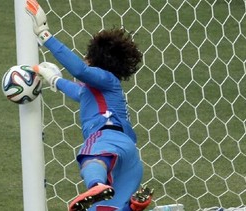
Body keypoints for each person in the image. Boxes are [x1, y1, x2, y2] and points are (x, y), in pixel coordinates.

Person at [25, 0, 153, 210]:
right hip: (128, 157)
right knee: (108, 208)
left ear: (94, 59)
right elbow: (78, 92)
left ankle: (96, 184)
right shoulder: (102, 89)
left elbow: (80, 72)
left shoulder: (106, 78)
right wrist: (53, 79)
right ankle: (132, 206)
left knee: (90, 156)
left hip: (106, 139)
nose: (84, 59)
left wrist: (44, 35)